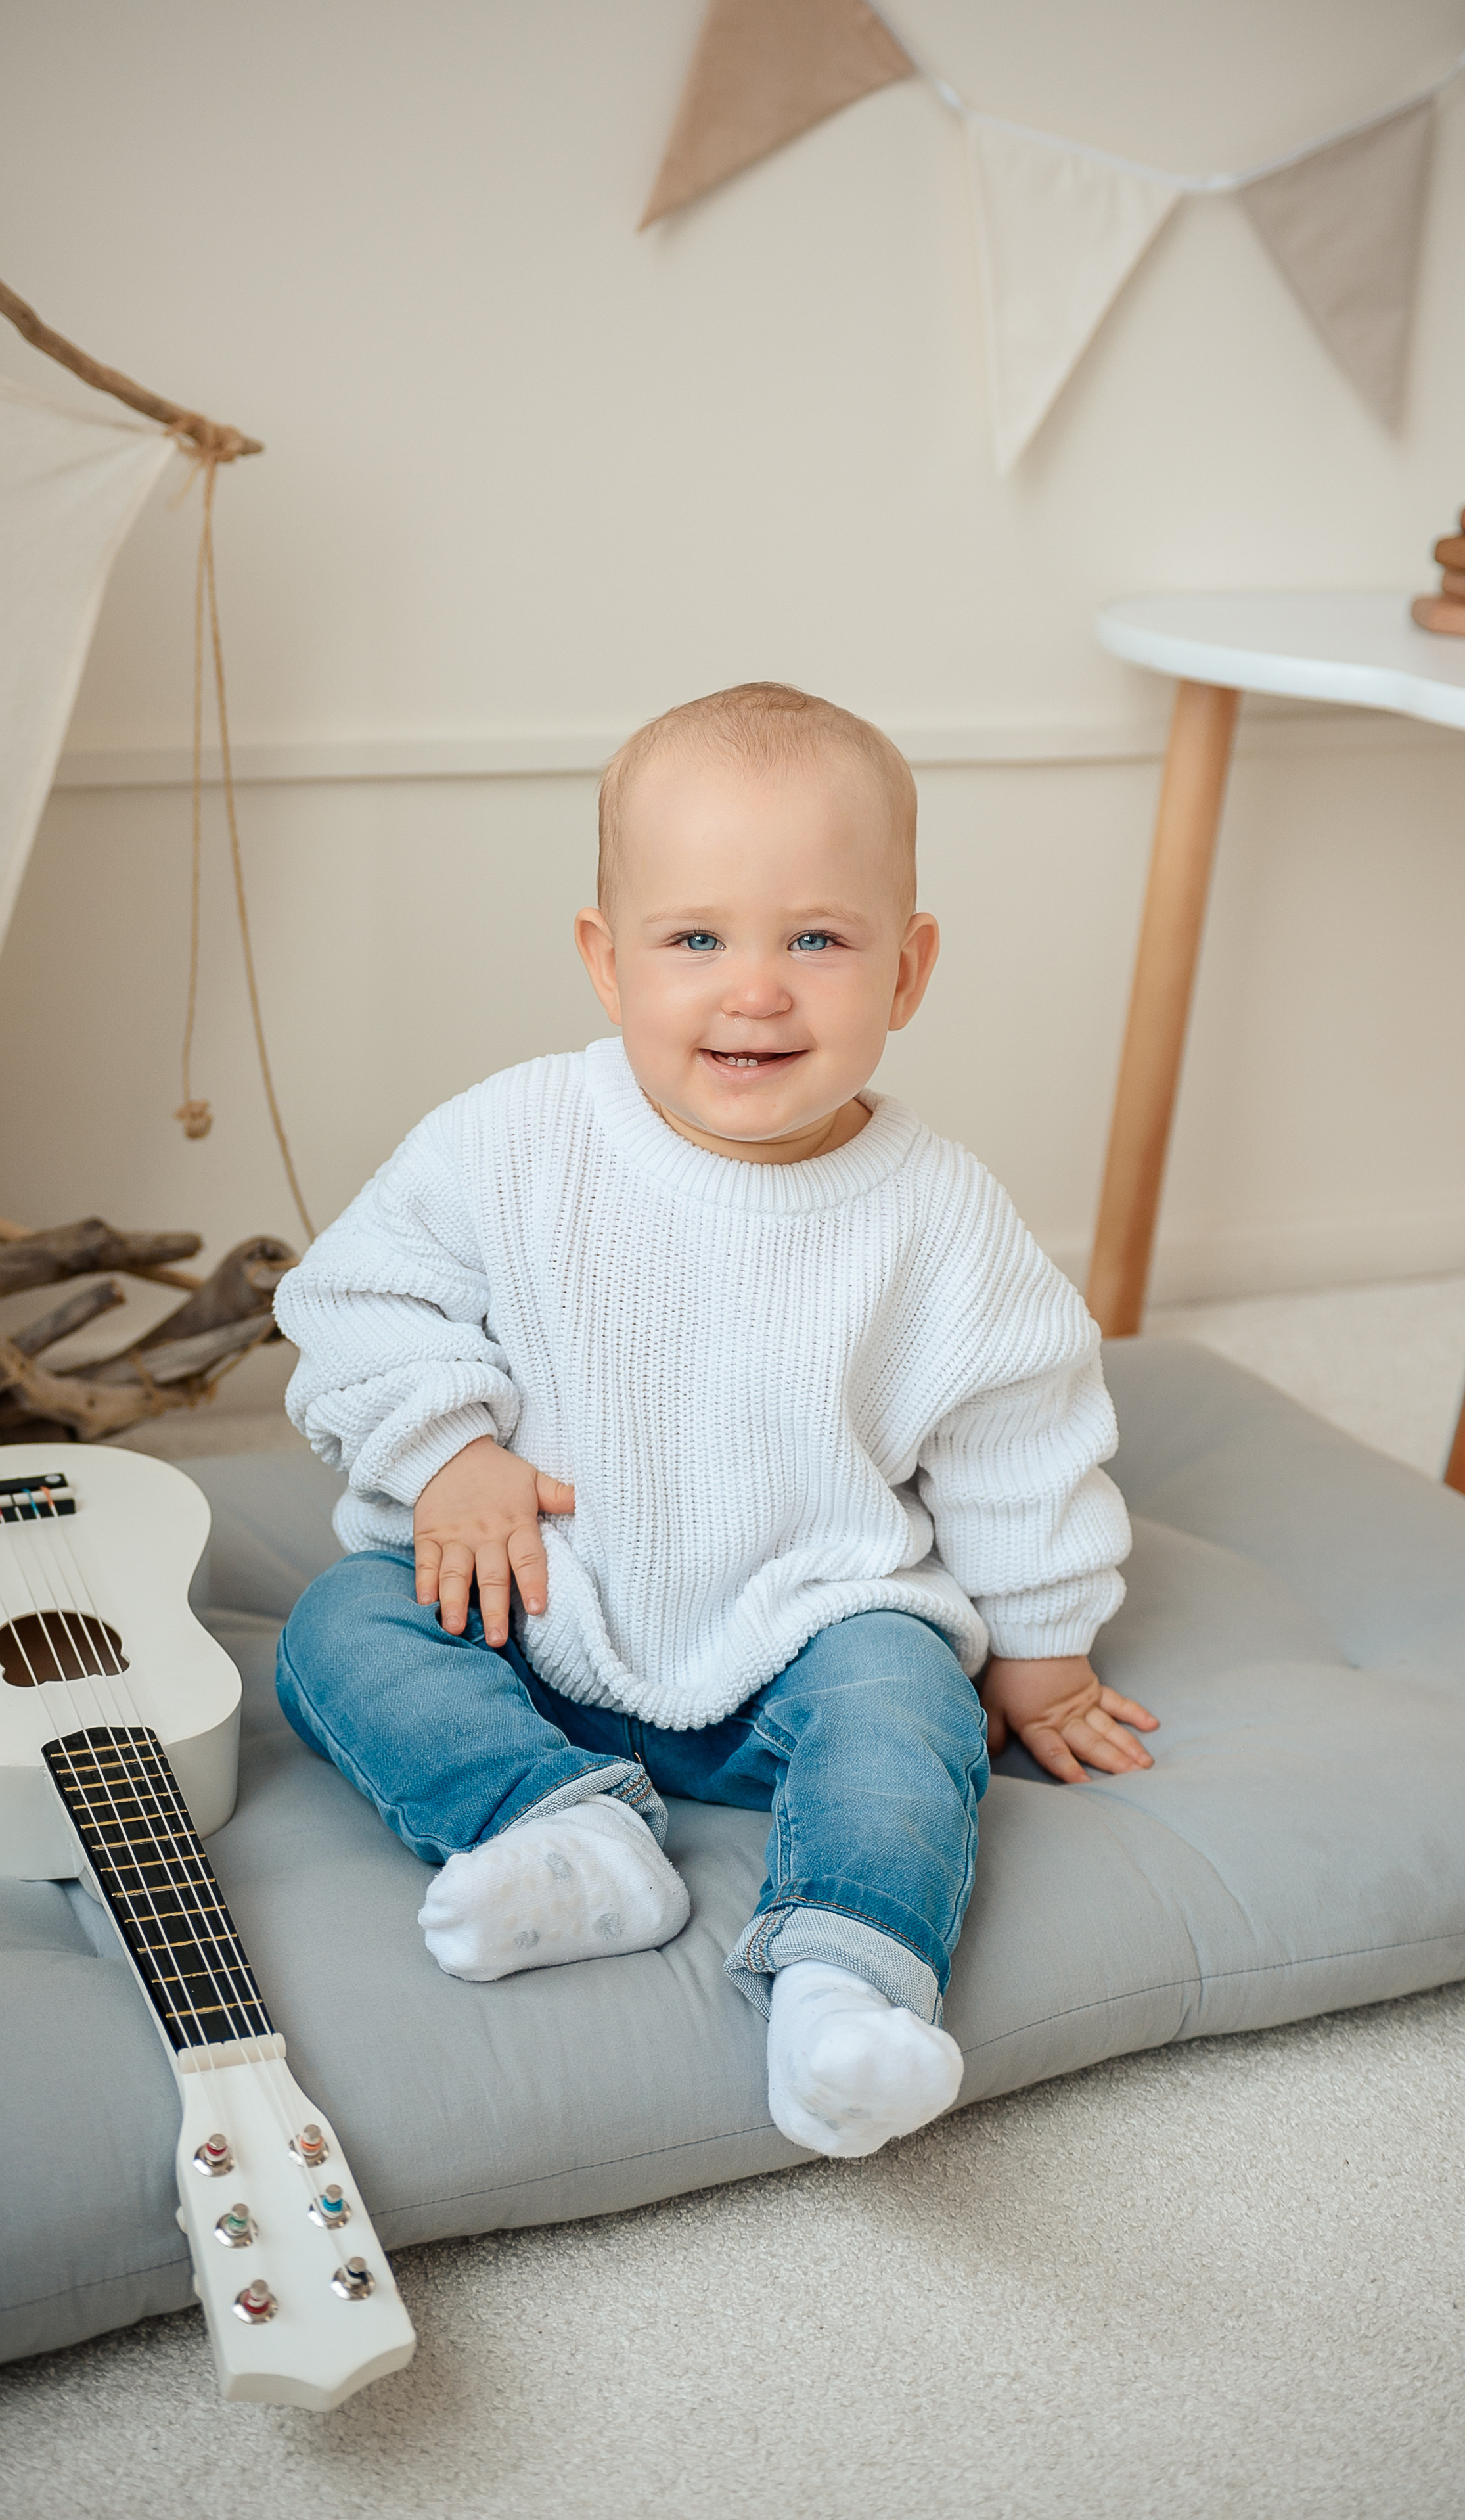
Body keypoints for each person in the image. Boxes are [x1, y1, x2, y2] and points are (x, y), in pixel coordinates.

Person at [273, 682, 1156, 2157]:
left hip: (806, 1621)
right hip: (535, 1595)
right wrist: (449, 1453)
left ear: (907, 970)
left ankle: (846, 1983)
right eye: (694, 940)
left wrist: (1045, 1651)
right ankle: (563, 1833)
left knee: (908, 1707)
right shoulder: (511, 1139)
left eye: (817, 940)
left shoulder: (941, 1215)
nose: (756, 991)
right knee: (340, 1628)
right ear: (604, 961)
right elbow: (358, 1299)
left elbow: (1022, 1434)